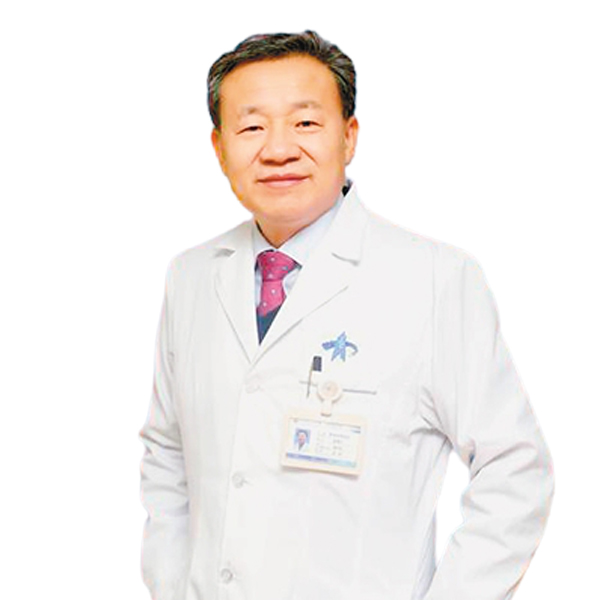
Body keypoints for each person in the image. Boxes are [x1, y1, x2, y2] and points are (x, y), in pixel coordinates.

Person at [139, 30, 554, 600]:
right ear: (218, 146)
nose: (278, 149)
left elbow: (515, 470)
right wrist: (170, 584)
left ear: (349, 136)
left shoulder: (435, 277)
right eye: (252, 127)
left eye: (305, 122)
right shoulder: (190, 277)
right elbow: (167, 453)